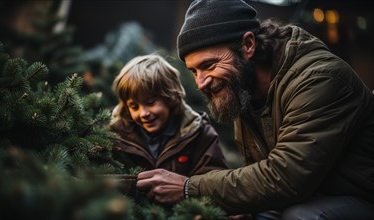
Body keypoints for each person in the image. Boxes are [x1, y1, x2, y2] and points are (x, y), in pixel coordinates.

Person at [136, 0, 374, 219]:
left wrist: (189, 187)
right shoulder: (243, 90)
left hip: (359, 198)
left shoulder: (319, 79)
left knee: (302, 217)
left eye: (209, 65)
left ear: (248, 45)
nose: (201, 82)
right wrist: (241, 207)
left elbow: (286, 178)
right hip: (307, 194)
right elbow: (258, 174)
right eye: (194, 71)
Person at [109, 54, 228, 177]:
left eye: (150, 103)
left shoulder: (199, 133)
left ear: (170, 98)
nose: (143, 113)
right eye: (134, 107)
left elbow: (211, 180)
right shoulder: (115, 135)